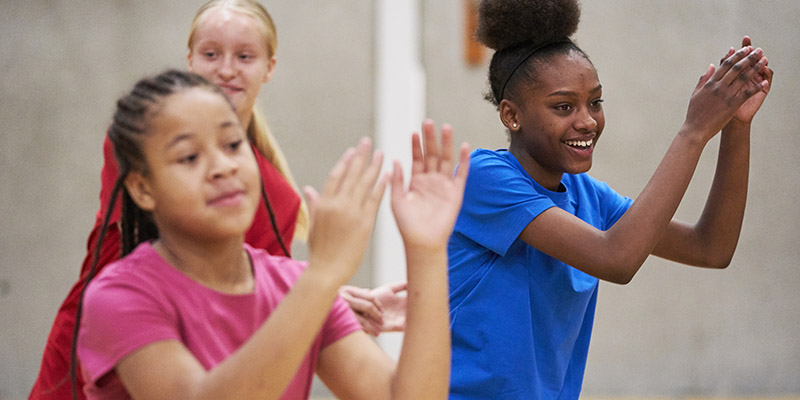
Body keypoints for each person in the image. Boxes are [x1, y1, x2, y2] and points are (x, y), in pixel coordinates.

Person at [29, 1, 402, 398]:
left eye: (244, 56)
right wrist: (320, 285)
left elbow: (259, 297)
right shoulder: (143, 145)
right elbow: (197, 275)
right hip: (106, 352)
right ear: (190, 60)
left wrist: (332, 297)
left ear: (269, 68)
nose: (226, 69)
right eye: (211, 54)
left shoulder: (278, 197)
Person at [446, 0, 773, 398]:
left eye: (595, 102)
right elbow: (616, 260)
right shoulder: (482, 177)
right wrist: (692, 132)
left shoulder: (586, 196)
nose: (587, 120)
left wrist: (734, 125)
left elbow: (711, 247)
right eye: (563, 106)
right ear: (511, 115)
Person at [75, 69, 469, 399]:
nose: (222, 167)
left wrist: (427, 249)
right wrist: (323, 275)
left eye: (232, 144)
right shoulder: (118, 296)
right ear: (143, 188)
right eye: (189, 157)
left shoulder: (293, 286)